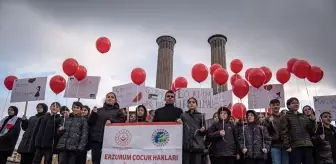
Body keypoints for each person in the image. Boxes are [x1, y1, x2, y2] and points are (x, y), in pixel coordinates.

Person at [88, 92, 126, 164]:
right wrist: (93, 114)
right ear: (105, 99)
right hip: (97, 140)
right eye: (108, 97)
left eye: (112, 97)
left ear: (115, 100)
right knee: (96, 161)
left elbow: (122, 121)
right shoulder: (98, 110)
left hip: (110, 141)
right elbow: (90, 122)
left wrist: (112, 121)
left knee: (109, 162)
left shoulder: (118, 111)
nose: (110, 98)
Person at [280, 97, 316, 164]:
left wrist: (313, 121)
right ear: (288, 105)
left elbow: (312, 130)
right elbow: (283, 132)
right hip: (295, 146)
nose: (296, 104)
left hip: (307, 145)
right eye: (293, 103)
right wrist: (287, 146)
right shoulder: (285, 116)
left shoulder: (304, 116)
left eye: (297, 103)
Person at [180, 97, 206, 164]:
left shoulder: (201, 116)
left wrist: (202, 130)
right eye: (189, 102)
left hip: (197, 146)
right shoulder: (183, 115)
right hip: (186, 146)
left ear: (196, 105)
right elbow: (179, 129)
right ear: (187, 105)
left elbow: (204, 132)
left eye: (193, 102)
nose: (191, 103)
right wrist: (177, 120)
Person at [264, 99, 288, 164]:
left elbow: (288, 130)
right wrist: (269, 123)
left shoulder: (284, 117)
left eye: (277, 105)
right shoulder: (267, 118)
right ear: (270, 106)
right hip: (274, 145)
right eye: (273, 105)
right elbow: (265, 132)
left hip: (285, 145)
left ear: (280, 106)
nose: (276, 106)